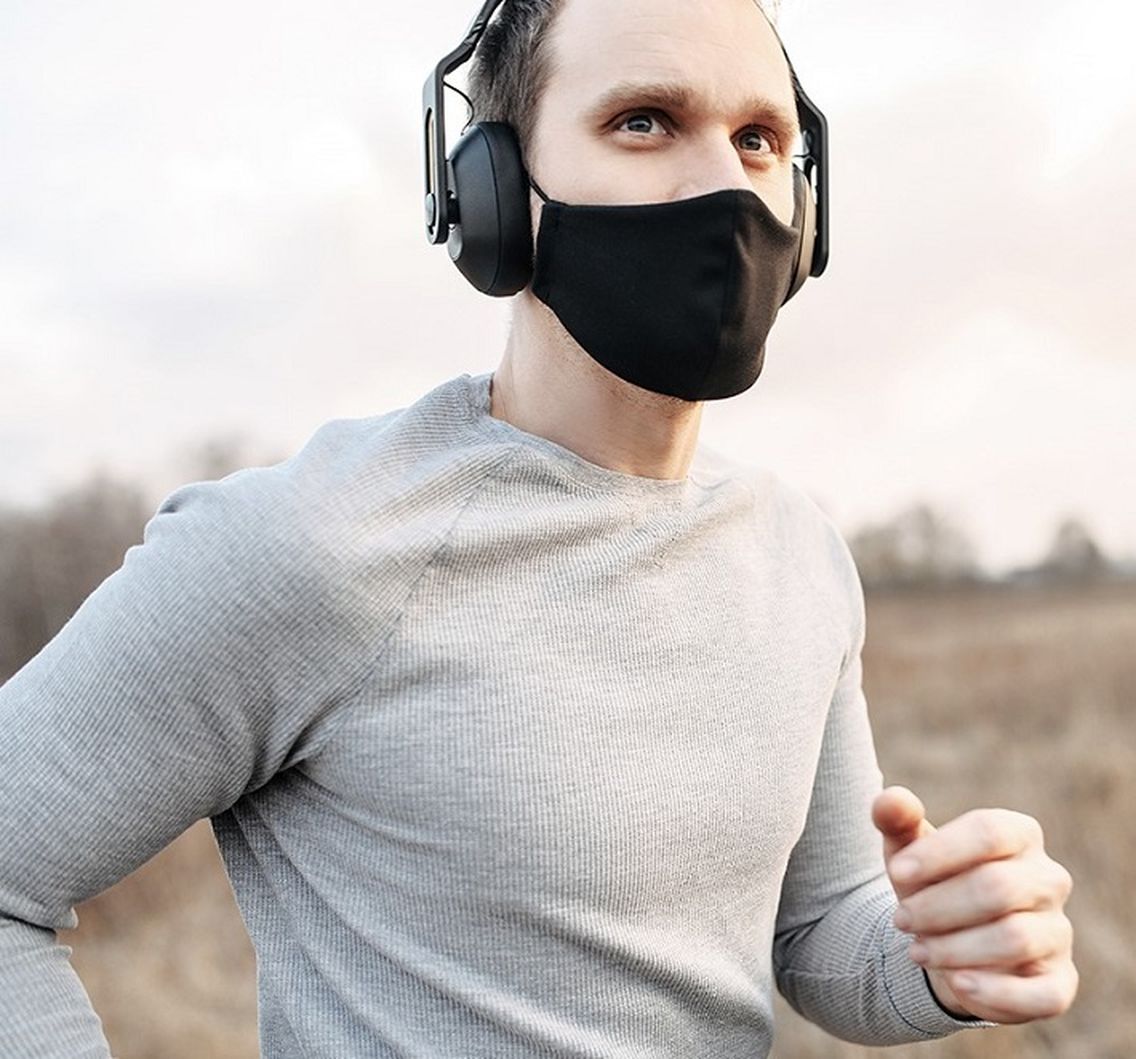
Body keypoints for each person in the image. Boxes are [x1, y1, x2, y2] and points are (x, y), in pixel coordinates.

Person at [0, 0, 1077, 1054]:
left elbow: (813, 935)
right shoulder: (312, 546)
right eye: (644, 120)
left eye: (758, 138)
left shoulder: (797, 552)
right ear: (495, 190)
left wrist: (940, 956)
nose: (722, 185)